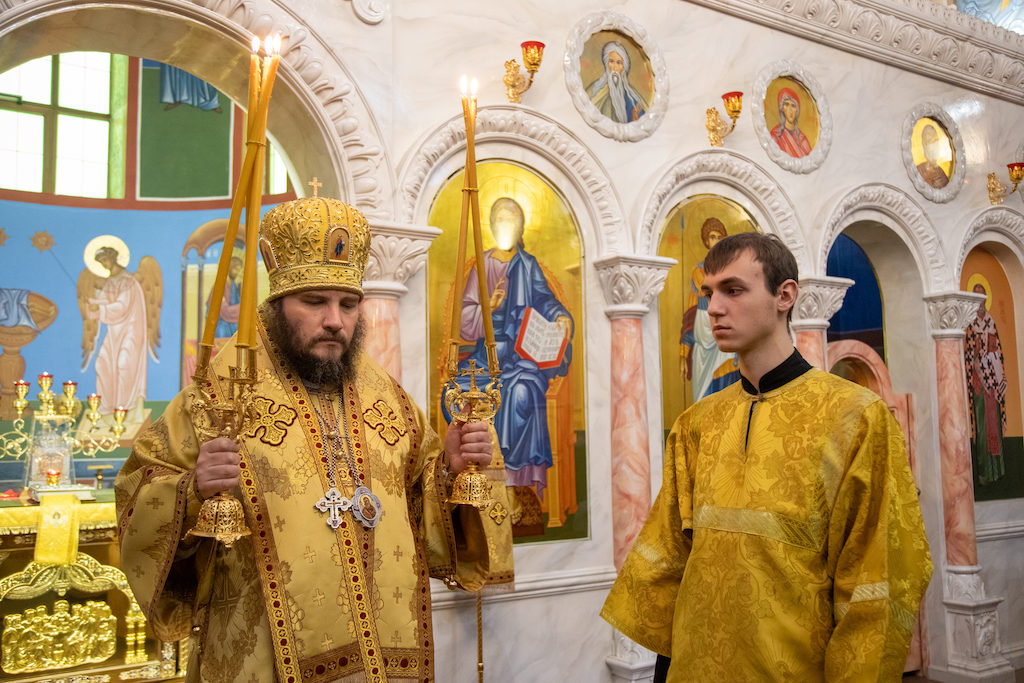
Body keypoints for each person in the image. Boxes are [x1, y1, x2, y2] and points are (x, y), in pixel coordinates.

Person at [115, 197, 509, 682]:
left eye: (348, 304)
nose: (335, 321)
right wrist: (192, 490)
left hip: (385, 654)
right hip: (264, 657)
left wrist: (447, 471)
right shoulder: (217, 397)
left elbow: (416, 502)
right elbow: (137, 492)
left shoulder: (389, 398)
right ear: (277, 306)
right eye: (315, 302)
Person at [602, 232, 932, 681]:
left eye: (733, 290)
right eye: (709, 293)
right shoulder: (697, 424)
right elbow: (672, 561)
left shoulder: (855, 417)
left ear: (785, 295)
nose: (714, 308)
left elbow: (879, 579)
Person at [446, 197, 572, 500]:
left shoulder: (528, 266)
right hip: (486, 355)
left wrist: (561, 317)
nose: (507, 224)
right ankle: (472, 479)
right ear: (492, 226)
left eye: (513, 219)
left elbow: (545, 301)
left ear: (521, 227)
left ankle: (515, 485)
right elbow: (464, 319)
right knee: (457, 393)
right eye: (501, 219)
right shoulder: (483, 265)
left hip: (522, 355)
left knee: (522, 393)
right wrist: (488, 308)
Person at [680, 217, 739, 402]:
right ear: (706, 240)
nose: (716, 241)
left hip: (726, 343)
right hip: (703, 340)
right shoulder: (698, 272)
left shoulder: (734, 271)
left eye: (720, 237)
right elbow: (691, 312)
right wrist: (683, 351)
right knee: (703, 400)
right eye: (712, 237)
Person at [86, 246, 150, 419]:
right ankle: (107, 409)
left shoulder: (129, 282)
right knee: (102, 364)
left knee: (124, 364)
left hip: (131, 331)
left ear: (112, 258)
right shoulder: (110, 282)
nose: (103, 264)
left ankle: (124, 410)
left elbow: (122, 307)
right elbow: (104, 301)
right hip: (114, 333)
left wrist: (100, 308)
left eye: (104, 260)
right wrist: (93, 304)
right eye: (100, 262)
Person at [965, 281, 1006, 485]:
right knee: (982, 428)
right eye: (977, 296)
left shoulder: (991, 321)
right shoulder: (970, 323)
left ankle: (997, 471)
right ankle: (984, 473)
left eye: (983, 296)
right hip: (979, 382)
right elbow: (969, 352)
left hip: (993, 381)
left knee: (994, 425)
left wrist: (998, 375)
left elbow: (997, 350)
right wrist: (977, 353)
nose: (980, 301)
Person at [586, 41, 649, 123]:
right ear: (607, 64)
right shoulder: (595, 90)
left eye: (619, 63)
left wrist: (635, 120)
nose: (615, 67)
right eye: (611, 61)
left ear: (624, 68)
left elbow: (642, 122)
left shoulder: (632, 98)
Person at [769, 88, 813, 158]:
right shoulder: (775, 135)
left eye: (793, 106)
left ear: (797, 110)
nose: (790, 110)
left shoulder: (802, 139)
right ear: (782, 108)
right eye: (787, 105)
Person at [212, 255, 242, 338]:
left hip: (231, 321)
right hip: (221, 323)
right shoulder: (220, 285)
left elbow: (237, 301)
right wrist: (242, 307)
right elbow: (224, 310)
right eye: (236, 269)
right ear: (229, 268)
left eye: (239, 270)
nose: (237, 273)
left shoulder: (233, 284)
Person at [916, 123, 950, 189]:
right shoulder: (919, 170)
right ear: (924, 145)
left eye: (935, 141)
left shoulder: (940, 171)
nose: (934, 145)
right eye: (930, 141)